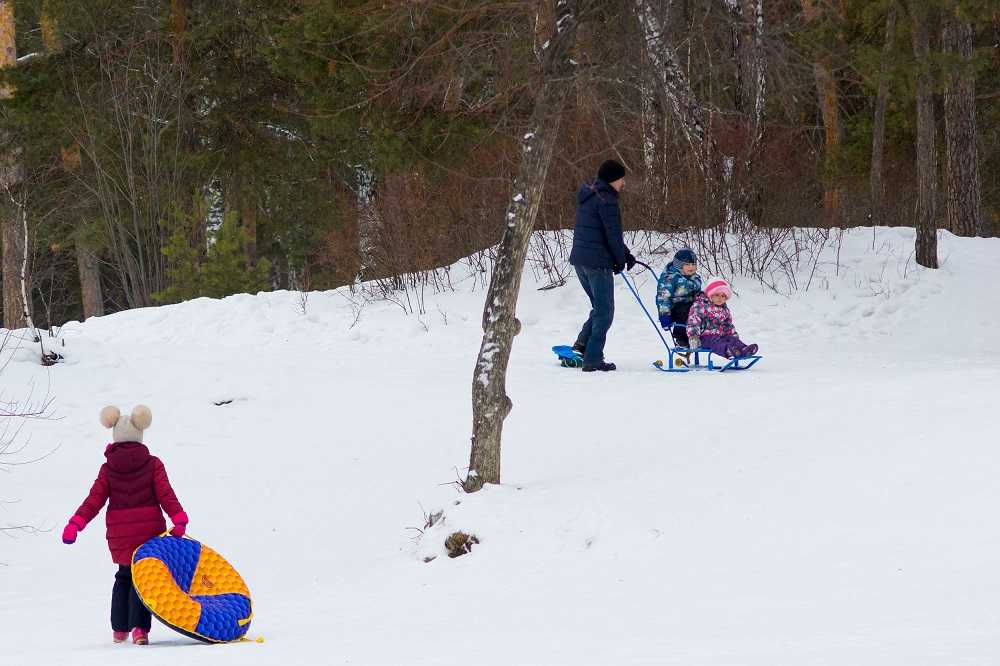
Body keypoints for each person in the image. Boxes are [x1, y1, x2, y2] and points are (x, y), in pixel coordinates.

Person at [62, 405, 189, 646]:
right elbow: (166, 494)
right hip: (149, 532)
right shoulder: (153, 464)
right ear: (140, 434)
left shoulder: (108, 468)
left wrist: (76, 524)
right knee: (143, 579)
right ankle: (139, 629)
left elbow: (94, 500)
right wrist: (178, 517)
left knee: (123, 576)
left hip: (119, 533)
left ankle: (119, 630)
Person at [568, 159, 636, 372]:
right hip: (597, 263)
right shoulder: (607, 200)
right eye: (622, 179)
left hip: (581, 260)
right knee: (605, 311)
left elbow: (603, 233)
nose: (623, 183)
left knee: (599, 307)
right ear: (614, 179)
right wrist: (621, 259)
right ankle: (593, 359)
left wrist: (624, 255)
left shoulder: (589, 195)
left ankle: (582, 345)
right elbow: (612, 235)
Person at [686, 279, 759, 358]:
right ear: (710, 294)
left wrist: (733, 335)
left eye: (723, 296)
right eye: (717, 295)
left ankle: (744, 349)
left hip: (721, 335)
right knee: (715, 342)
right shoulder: (700, 306)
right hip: (705, 337)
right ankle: (728, 350)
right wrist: (693, 337)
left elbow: (728, 324)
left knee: (732, 339)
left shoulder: (724, 309)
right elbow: (693, 322)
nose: (720, 298)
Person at [655, 248, 702, 348]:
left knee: (702, 310)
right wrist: (665, 316)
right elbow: (663, 298)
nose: (691, 267)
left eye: (693, 264)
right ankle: (681, 338)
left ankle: (700, 335)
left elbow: (698, 294)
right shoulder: (670, 278)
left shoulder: (695, 277)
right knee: (686, 309)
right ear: (679, 265)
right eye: (687, 264)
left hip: (691, 306)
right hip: (675, 309)